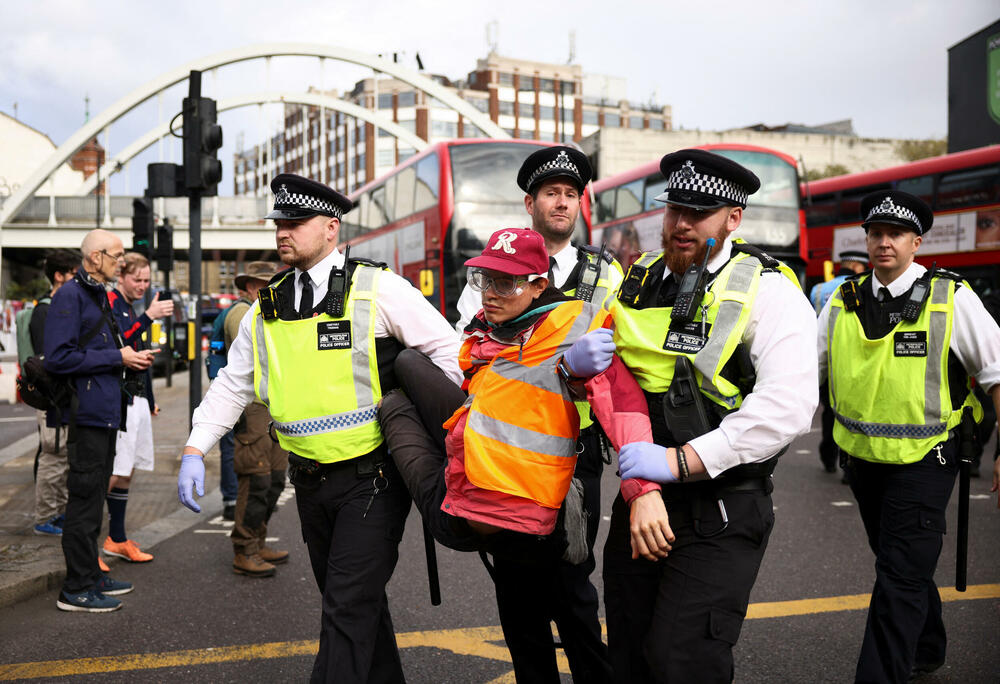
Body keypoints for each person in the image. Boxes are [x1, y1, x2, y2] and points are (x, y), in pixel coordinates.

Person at [176, 173, 462, 682]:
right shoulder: (267, 308)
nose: (282, 232)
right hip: (308, 481)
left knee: (346, 612)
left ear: (331, 228)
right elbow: (232, 384)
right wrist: (196, 448)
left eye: (295, 222)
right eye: (279, 223)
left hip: (372, 481)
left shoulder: (378, 288)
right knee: (354, 605)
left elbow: (448, 356)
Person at [381, 228, 648, 683]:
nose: (490, 293)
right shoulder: (488, 333)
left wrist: (644, 485)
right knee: (523, 631)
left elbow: (619, 404)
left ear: (539, 285)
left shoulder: (576, 324)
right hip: (492, 503)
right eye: (485, 279)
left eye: (506, 283)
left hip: (550, 505)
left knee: (575, 615)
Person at [603, 149, 818, 683]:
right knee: (628, 655)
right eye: (674, 209)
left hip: (719, 504)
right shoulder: (641, 275)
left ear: (733, 218)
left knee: (683, 661)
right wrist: (580, 363)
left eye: (698, 214)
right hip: (644, 497)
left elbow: (787, 406)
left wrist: (681, 460)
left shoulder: (768, 288)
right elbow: (615, 374)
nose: (680, 225)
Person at [817, 190, 1000, 683]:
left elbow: (995, 373)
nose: (883, 243)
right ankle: (928, 644)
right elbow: (807, 370)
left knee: (897, 576)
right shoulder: (843, 299)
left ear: (916, 242)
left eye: (895, 234)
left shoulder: (951, 296)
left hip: (928, 458)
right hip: (862, 458)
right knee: (900, 563)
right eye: (875, 233)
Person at [454, 146, 622, 682]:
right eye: (551, 193)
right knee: (517, 593)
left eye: (572, 195)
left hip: (577, 453)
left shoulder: (606, 273)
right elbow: (474, 351)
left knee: (573, 584)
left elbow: (626, 358)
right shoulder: (494, 270)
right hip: (507, 454)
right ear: (530, 202)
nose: (562, 203)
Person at [45, 229, 155, 612]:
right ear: (95, 257)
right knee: (84, 500)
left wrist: (127, 357)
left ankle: (91, 573)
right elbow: (57, 357)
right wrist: (117, 358)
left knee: (95, 501)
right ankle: (76, 588)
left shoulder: (95, 294)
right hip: (87, 414)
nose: (122, 261)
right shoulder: (71, 295)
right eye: (117, 255)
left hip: (105, 412)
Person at [103, 252, 173, 563]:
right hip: (120, 401)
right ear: (122, 277)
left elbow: (139, 355)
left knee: (128, 471)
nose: (143, 285)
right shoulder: (112, 303)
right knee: (114, 472)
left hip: (137, 399)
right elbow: (121, 345)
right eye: (137, 279)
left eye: (146, 280)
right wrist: (150, 316)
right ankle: (90, 546)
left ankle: (116, 538)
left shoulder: (130, 306)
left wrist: (151, 399)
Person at [225, 261, 290, 578]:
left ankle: (259, 541)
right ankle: (245, 550)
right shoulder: (242, 314)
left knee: (275, 480)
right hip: (252, 410)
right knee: (256, 480)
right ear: (250, 286)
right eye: (265, 284)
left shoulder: (265, 310)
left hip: (272, 407)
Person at [25, 250, 79, 536]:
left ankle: (56, 513)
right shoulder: (45, 310)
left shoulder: (56, 306)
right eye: (73, 273)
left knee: (61, 459)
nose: (77, 279)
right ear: (59, 276)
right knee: (52, 456)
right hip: (51, 398)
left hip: (61, 397)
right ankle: (45, 518)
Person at [810, 250, 870, 474]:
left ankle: (828, 455)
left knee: (829, 410)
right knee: (852, 411)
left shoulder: (817, 290)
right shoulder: (861, 287)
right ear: (858, 267)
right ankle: (848, 463)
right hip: (850, 358)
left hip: (824, 355)